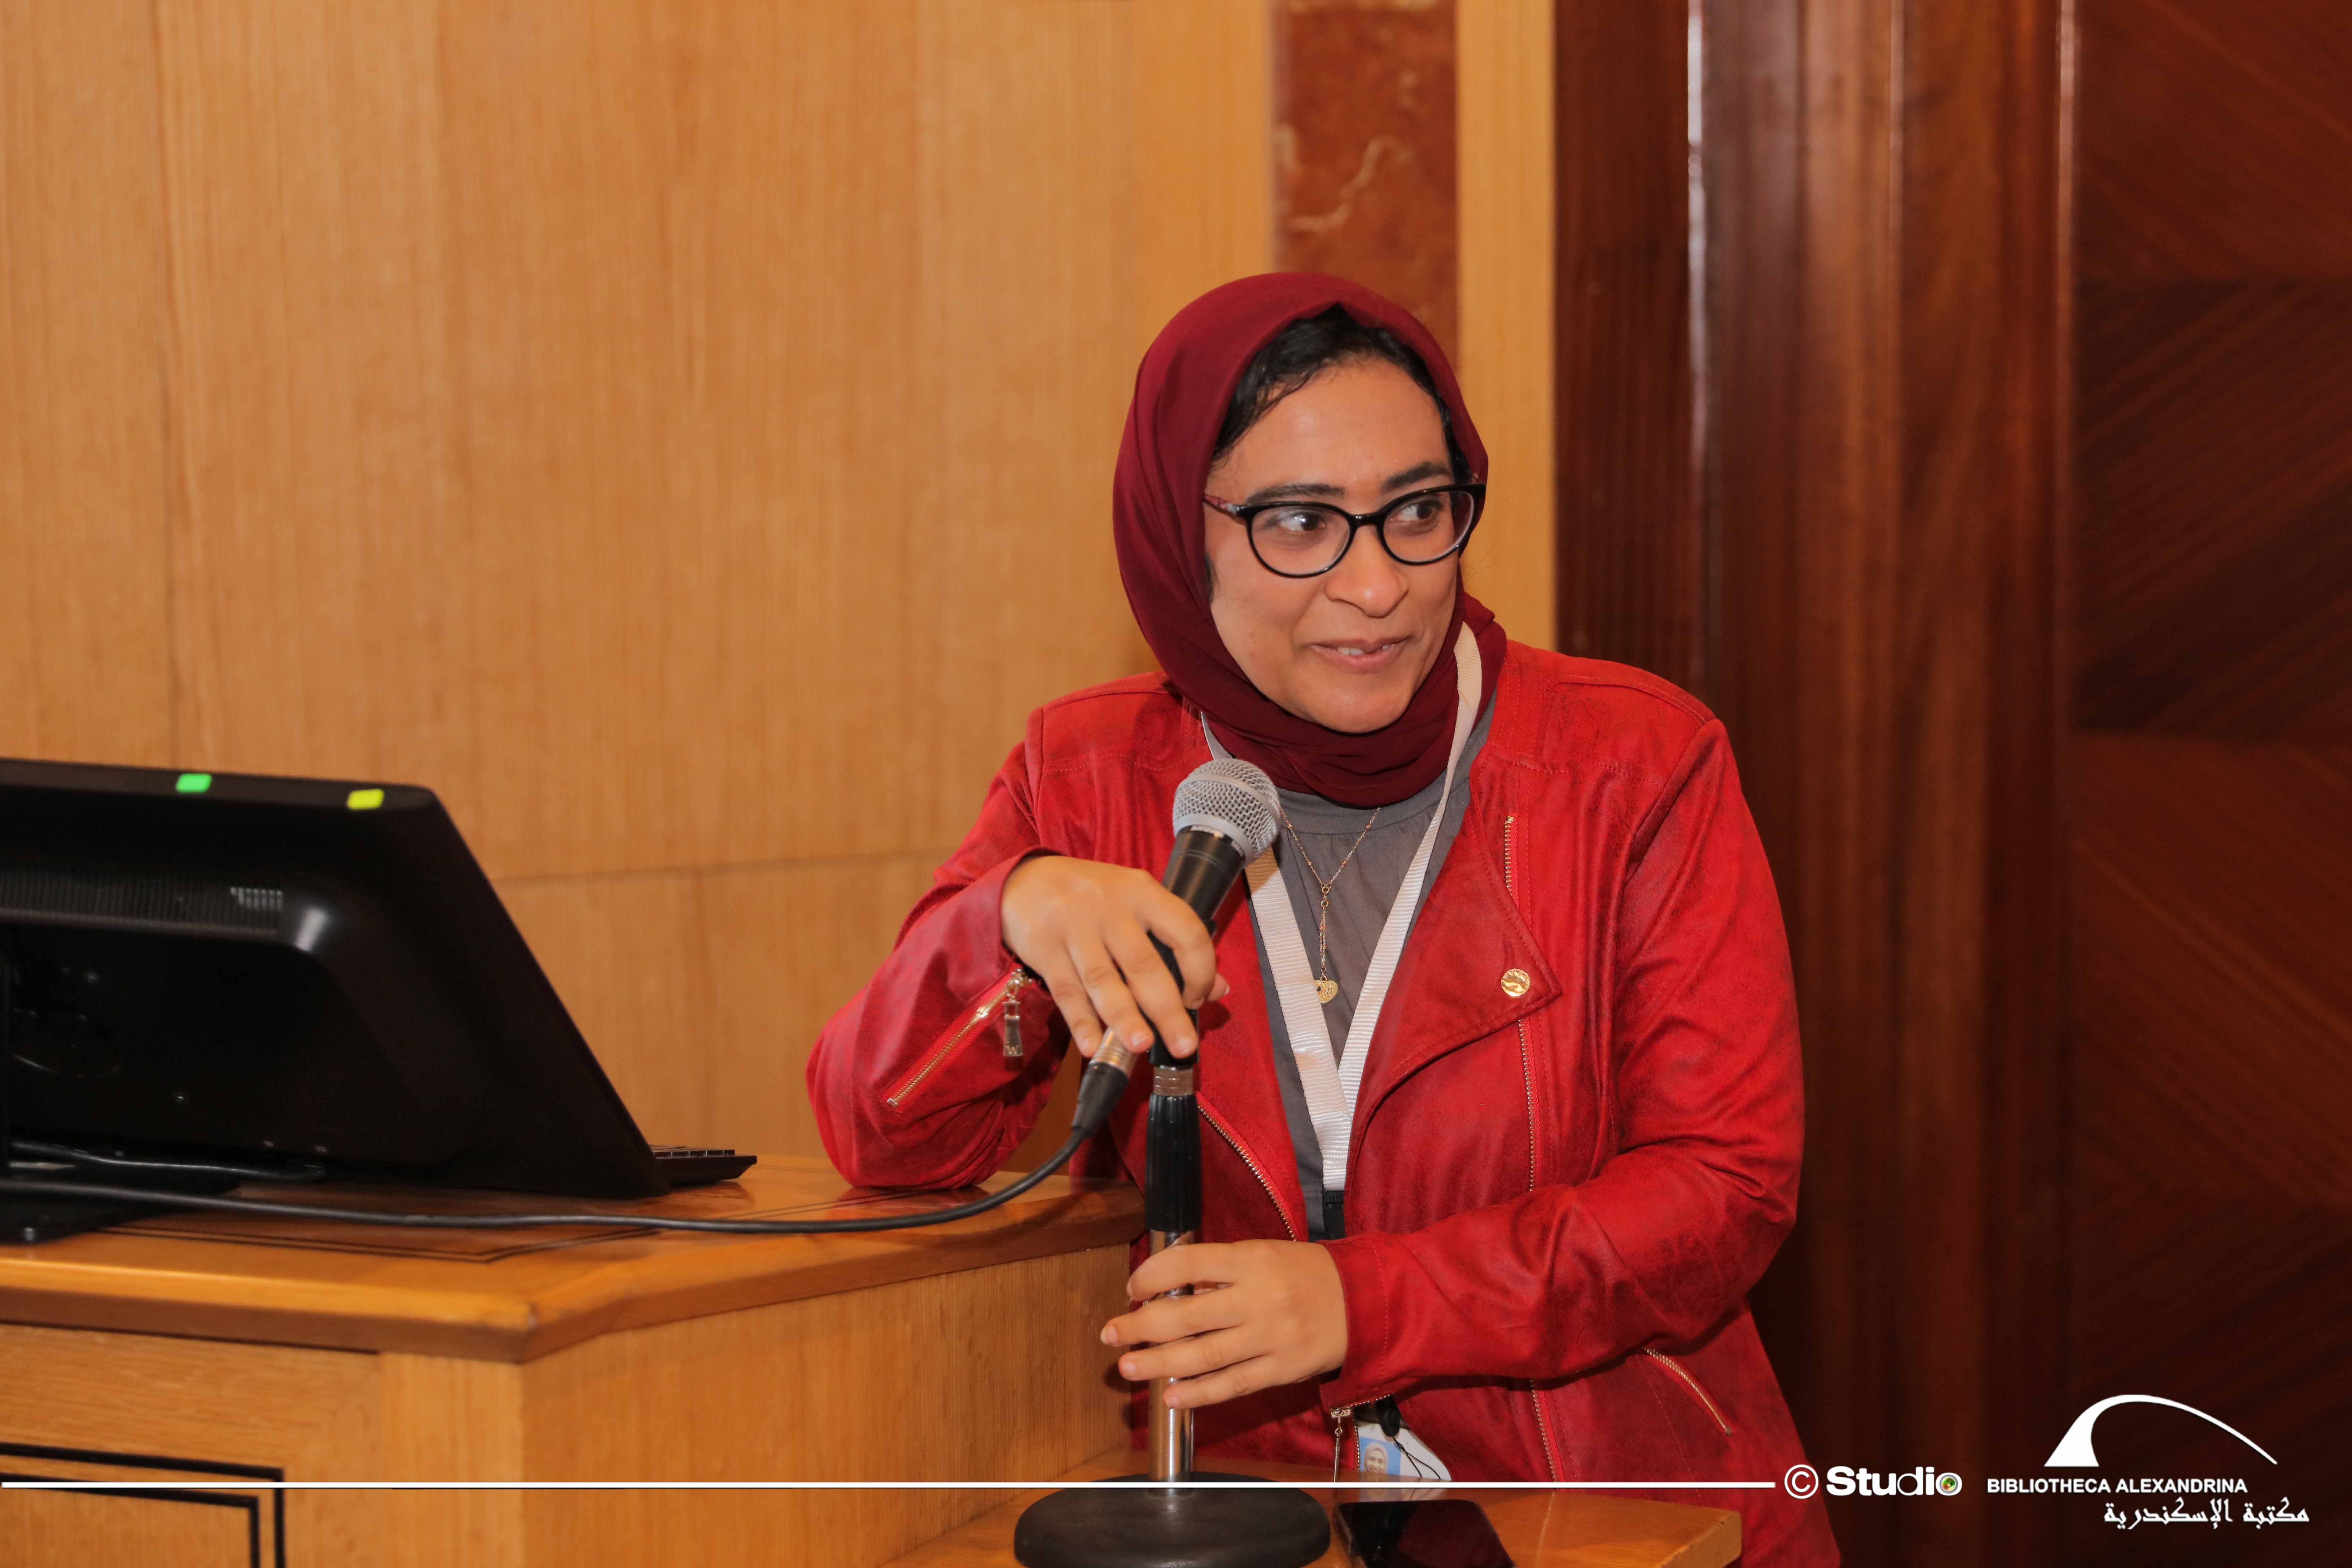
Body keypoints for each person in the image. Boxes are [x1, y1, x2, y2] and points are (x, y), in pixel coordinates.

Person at [807, 274, 1838, 1566]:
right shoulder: (1086, 778)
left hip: (1622, 1516)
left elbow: (1724, 1186)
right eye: (1301, 522)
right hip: (1259, 1519)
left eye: (1418, 511)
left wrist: (1366, 1302)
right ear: (1180, 534)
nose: (1377, 584)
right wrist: (1005, 921)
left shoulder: (1633, 763)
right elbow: (882, 1134)